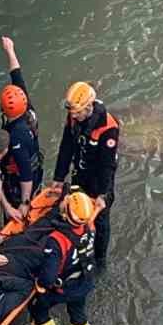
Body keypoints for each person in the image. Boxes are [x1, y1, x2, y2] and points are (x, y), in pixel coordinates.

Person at [0, 191, 98, 325]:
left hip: (64, 286)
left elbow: (48, 276)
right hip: (84, 280)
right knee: (77, 311)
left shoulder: (58, 240)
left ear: (66, 212)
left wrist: (40, 285)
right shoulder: (89, 226)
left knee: (38, 308)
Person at [50, 80, 119, 272]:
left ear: (89, 106)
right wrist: (59, 176)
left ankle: (100, 259)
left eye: (77, 112)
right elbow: (67, 146)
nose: (74, 116)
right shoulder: (74, 116)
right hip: (80, 173)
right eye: (72, 112)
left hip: (99, 180)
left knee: (100, 220)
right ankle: (74, 252)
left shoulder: (108, 127)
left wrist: (103, 195)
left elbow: (108, 165)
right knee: (73, 210)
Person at [0, 37, 43, 208]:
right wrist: (10, 50)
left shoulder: (16, 136)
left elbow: (25, 172)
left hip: (20, 184)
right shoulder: (27, 108)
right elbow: (17, 75)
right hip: (37, 170)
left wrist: (24, 202)